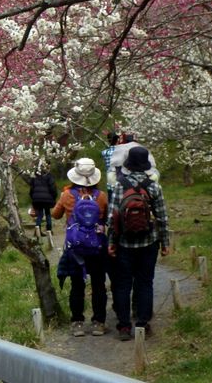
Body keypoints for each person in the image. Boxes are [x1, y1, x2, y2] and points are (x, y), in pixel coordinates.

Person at [108, 146, 170, 341]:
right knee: (145, 283)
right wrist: (165, 243)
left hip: (125, 243)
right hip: (148, 242)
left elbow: (113, 217)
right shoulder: (153, 186)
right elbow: (162, 217)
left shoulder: (120, 184)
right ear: (145, 165)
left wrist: (111, 242)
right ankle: (143, 324)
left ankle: (124, 327)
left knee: (122, 284)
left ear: (128, 164)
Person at [52, 158, 108, 337]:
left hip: (75, 247)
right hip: (97, 245)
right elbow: (106, 216)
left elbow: (55, 214)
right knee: (99, 284)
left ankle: (77, 323)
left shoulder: (67, 195)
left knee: (77, 285)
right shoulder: (101, 197)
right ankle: (99, 322)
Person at [28, 162, 57, 234]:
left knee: (40, 214)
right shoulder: (49, 176)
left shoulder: (34, 176)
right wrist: (54, 197)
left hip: (37, 198)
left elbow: (31, 189)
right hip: (47, 198)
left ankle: (37, 230)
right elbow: (53, 188)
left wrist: (33, 198)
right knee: (47, 213)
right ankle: (49, 230)